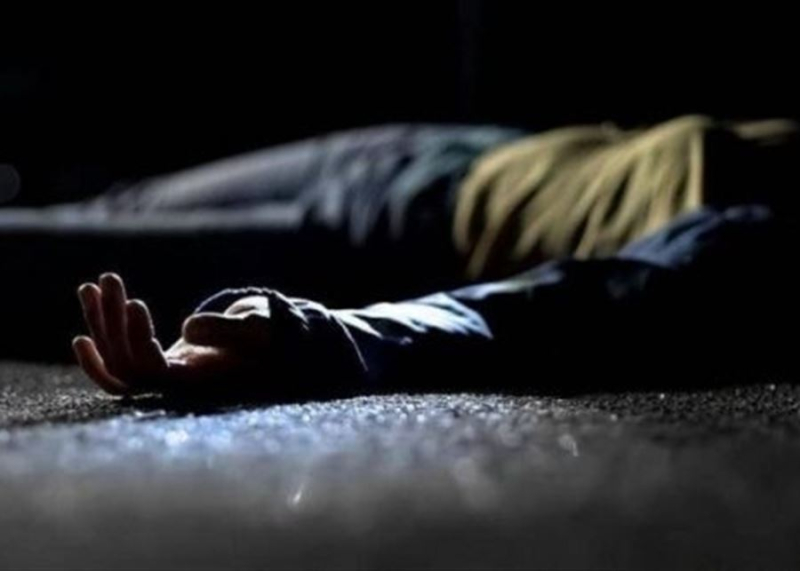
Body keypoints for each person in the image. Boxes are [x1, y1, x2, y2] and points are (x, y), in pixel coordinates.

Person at [12, 118, 800, 398]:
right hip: (435, 155)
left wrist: (317, 335)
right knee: (118, 204)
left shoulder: (766, 255)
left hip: (389, 241)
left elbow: (597, 297)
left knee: (31, 259)